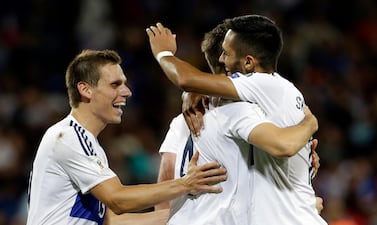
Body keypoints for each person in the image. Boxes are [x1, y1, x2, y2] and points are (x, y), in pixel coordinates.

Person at [146, 14, 327, 224]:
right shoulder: (283, 93)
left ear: (248, 62)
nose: (223, 59)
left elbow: (284, 145)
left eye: (227, 53)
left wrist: (163, 53)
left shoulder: (252, 96)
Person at [26, 49, 228, 225]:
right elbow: (118, 199)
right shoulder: (68, 136)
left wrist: (191, 213)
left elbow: (111, 221)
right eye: (115, 85)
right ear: (85, 89)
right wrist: (184, 184)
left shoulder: (85, 141)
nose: (127, 92)